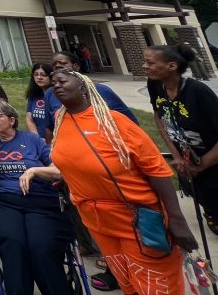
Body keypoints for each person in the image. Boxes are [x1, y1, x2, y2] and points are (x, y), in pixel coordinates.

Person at [49, 68, 197, 295]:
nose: (56, 84)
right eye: (53, 82)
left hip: (136, 219)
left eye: (62, 80)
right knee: (128, 284)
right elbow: (73, 160)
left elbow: (156, 169)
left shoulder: (114, 122)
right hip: (97, 222)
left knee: (156, 286)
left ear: (83, 86)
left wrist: (176, 219)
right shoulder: (61, 121)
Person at [0, 100, 73, 295]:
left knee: (41, 246)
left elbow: (59, 171)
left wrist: (34, 170)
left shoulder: (33, 140)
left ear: (11, 120)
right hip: (4, 201)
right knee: (13, 243)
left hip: (40, 200)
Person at [144, 43, 218, 233]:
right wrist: (176, 156)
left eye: (150, 63)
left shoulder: (198, 92)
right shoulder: (155, 85)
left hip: (212, 162)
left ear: (172, 66)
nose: (145, 66)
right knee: (205, 198)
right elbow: (159, 116)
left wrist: (201, 166)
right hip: (189, 162)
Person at [44, 51, 137, 128]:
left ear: (76, 67)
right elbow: (49, 126)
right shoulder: (50, 93)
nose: (58, 66)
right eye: (54, 64)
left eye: (63, 63)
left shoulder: (101, 91)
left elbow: (130, 123)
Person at [24, 62, 54, 141]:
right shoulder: (33, 95)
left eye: (43, 75)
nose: (39, 77)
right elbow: (29, 119)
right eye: (36, 74)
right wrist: (37, 138)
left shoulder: (57, 95)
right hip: (38, 139)